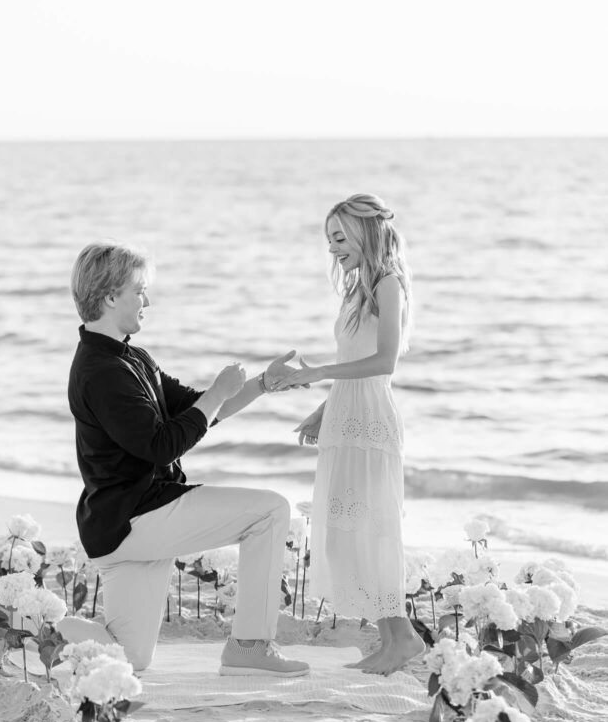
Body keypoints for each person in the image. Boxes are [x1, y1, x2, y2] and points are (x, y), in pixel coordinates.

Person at [66, 241, 309, 677]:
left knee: (129, 659)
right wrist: (218, 390)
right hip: (138, 518)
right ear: (109, 297)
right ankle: (250, 646)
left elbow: (198, 410)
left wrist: (262, 384)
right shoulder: (101, 372)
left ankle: (37, 626)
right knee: (271, 511)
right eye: (140, 291)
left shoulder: (130, 357)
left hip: (121, 529)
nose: (148, 301)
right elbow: (162, 446)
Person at [277, 194, 423, 674]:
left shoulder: (389, 285)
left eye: (340, 237)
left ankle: (401, 639)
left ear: (366, 232)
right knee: (353, 534)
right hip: (346, 415)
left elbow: (385, 363)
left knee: (374, 529)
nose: (333, 248)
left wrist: (319, 373)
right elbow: (357, 363)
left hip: (371, 421)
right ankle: (391, 639)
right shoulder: (358, 288)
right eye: (329, 240)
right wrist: (326, 406)